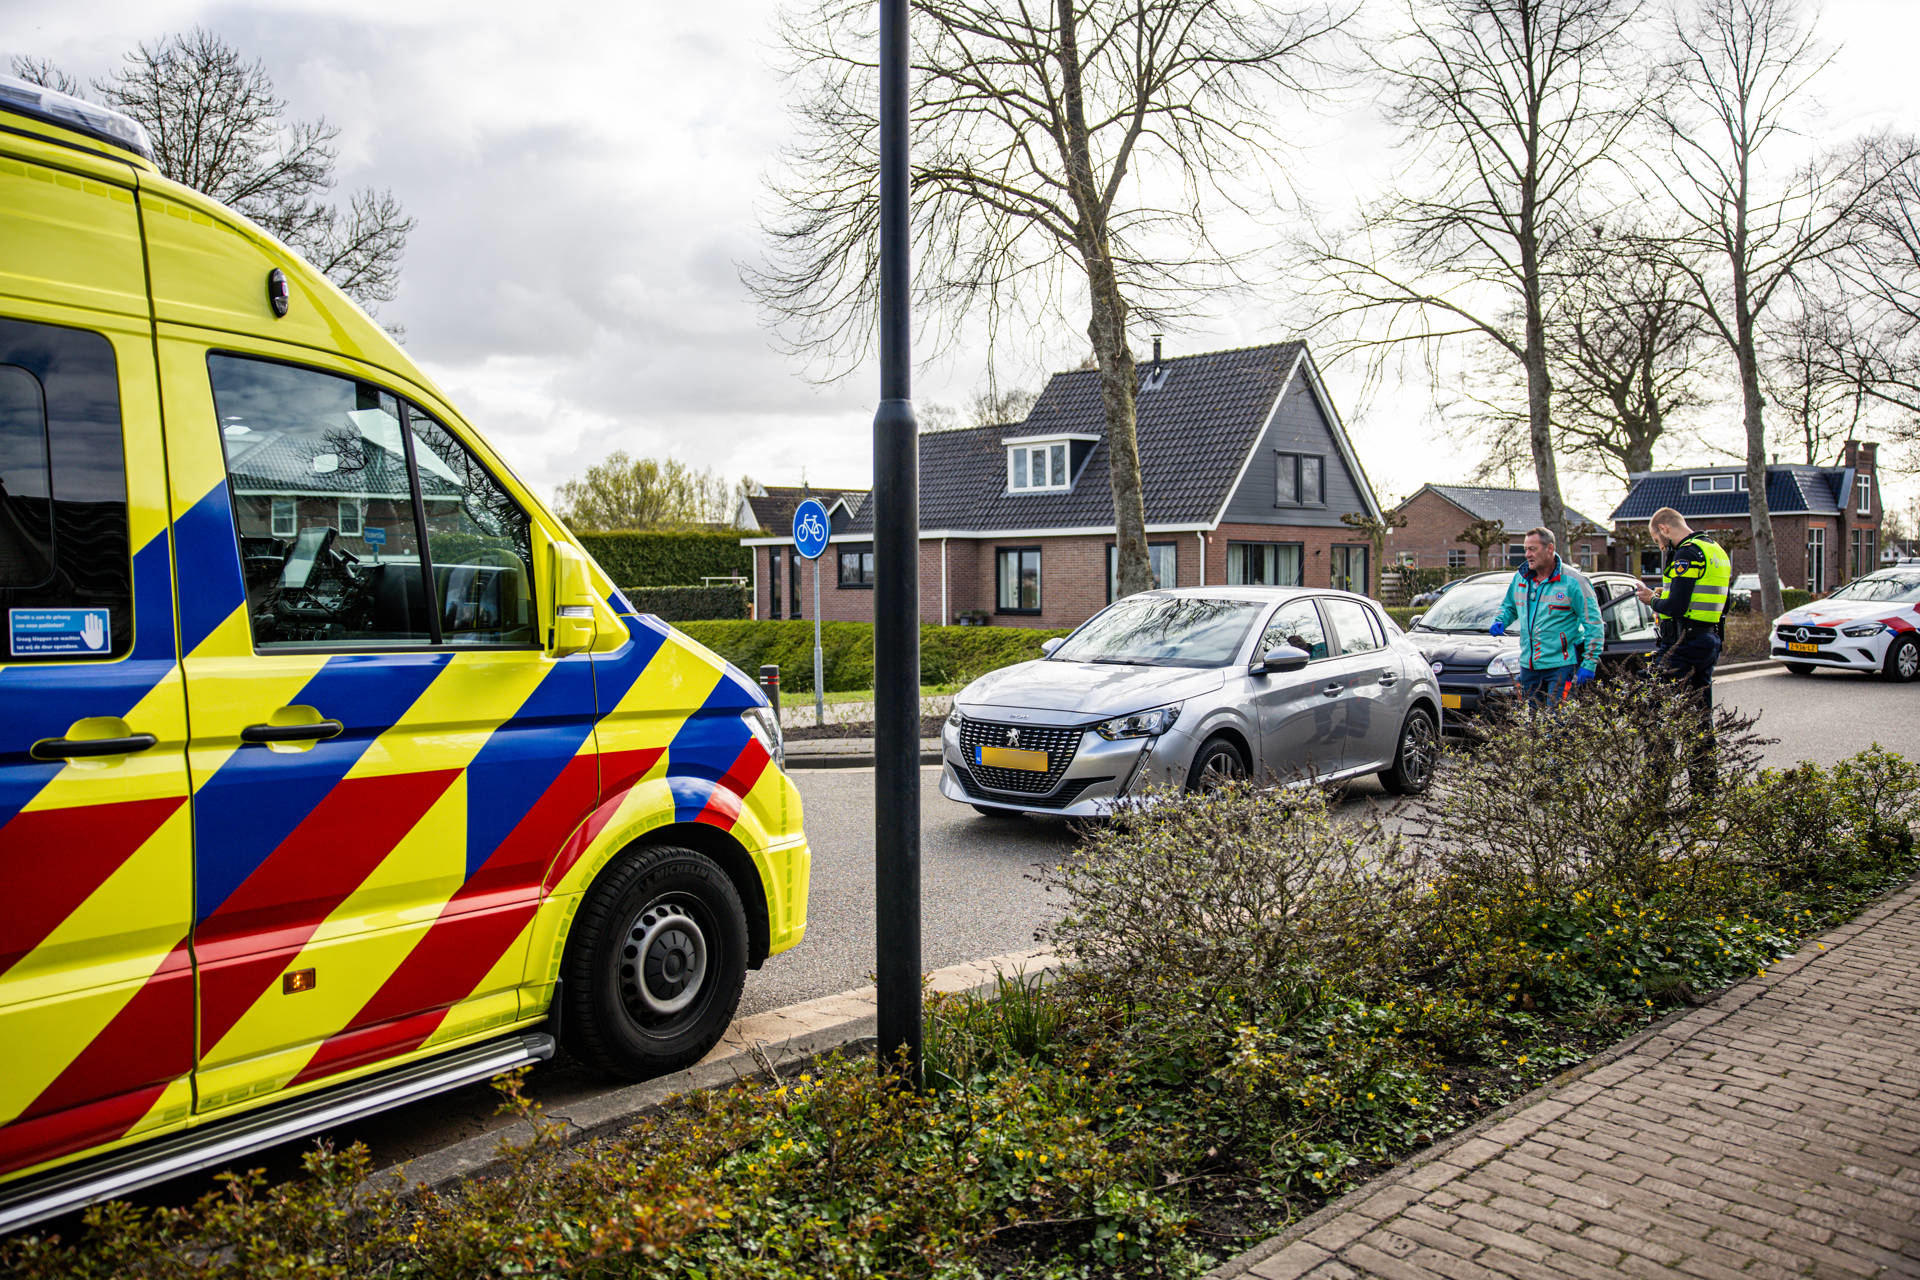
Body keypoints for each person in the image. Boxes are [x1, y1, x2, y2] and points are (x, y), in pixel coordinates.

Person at [1634, 507, 1731, 782]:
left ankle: (1656, 786)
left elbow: (1676, 606)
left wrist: (1651, 600)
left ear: (1664, 528)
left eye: (1657, 540)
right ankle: (1705, 790)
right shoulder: (1715, 550)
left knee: (1654, 709)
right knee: (1700, 716)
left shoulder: (1687, 553)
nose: (1661, 546)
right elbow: (1722, 600)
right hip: (1707, 639)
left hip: (1682, 642)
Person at [1490, 526, 1604, 706]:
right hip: (1529, 667)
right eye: (1525, 549)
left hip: (1561, 666)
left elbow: (1594, 624)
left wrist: (1589, 663)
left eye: (1532, 549)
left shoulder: (1574, 582)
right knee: (1532, 723)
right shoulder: (1520, 578)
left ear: (1549, 549)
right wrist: (1500, 620)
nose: (1527, 554)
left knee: (1557, 724)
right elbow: (1509, 606)